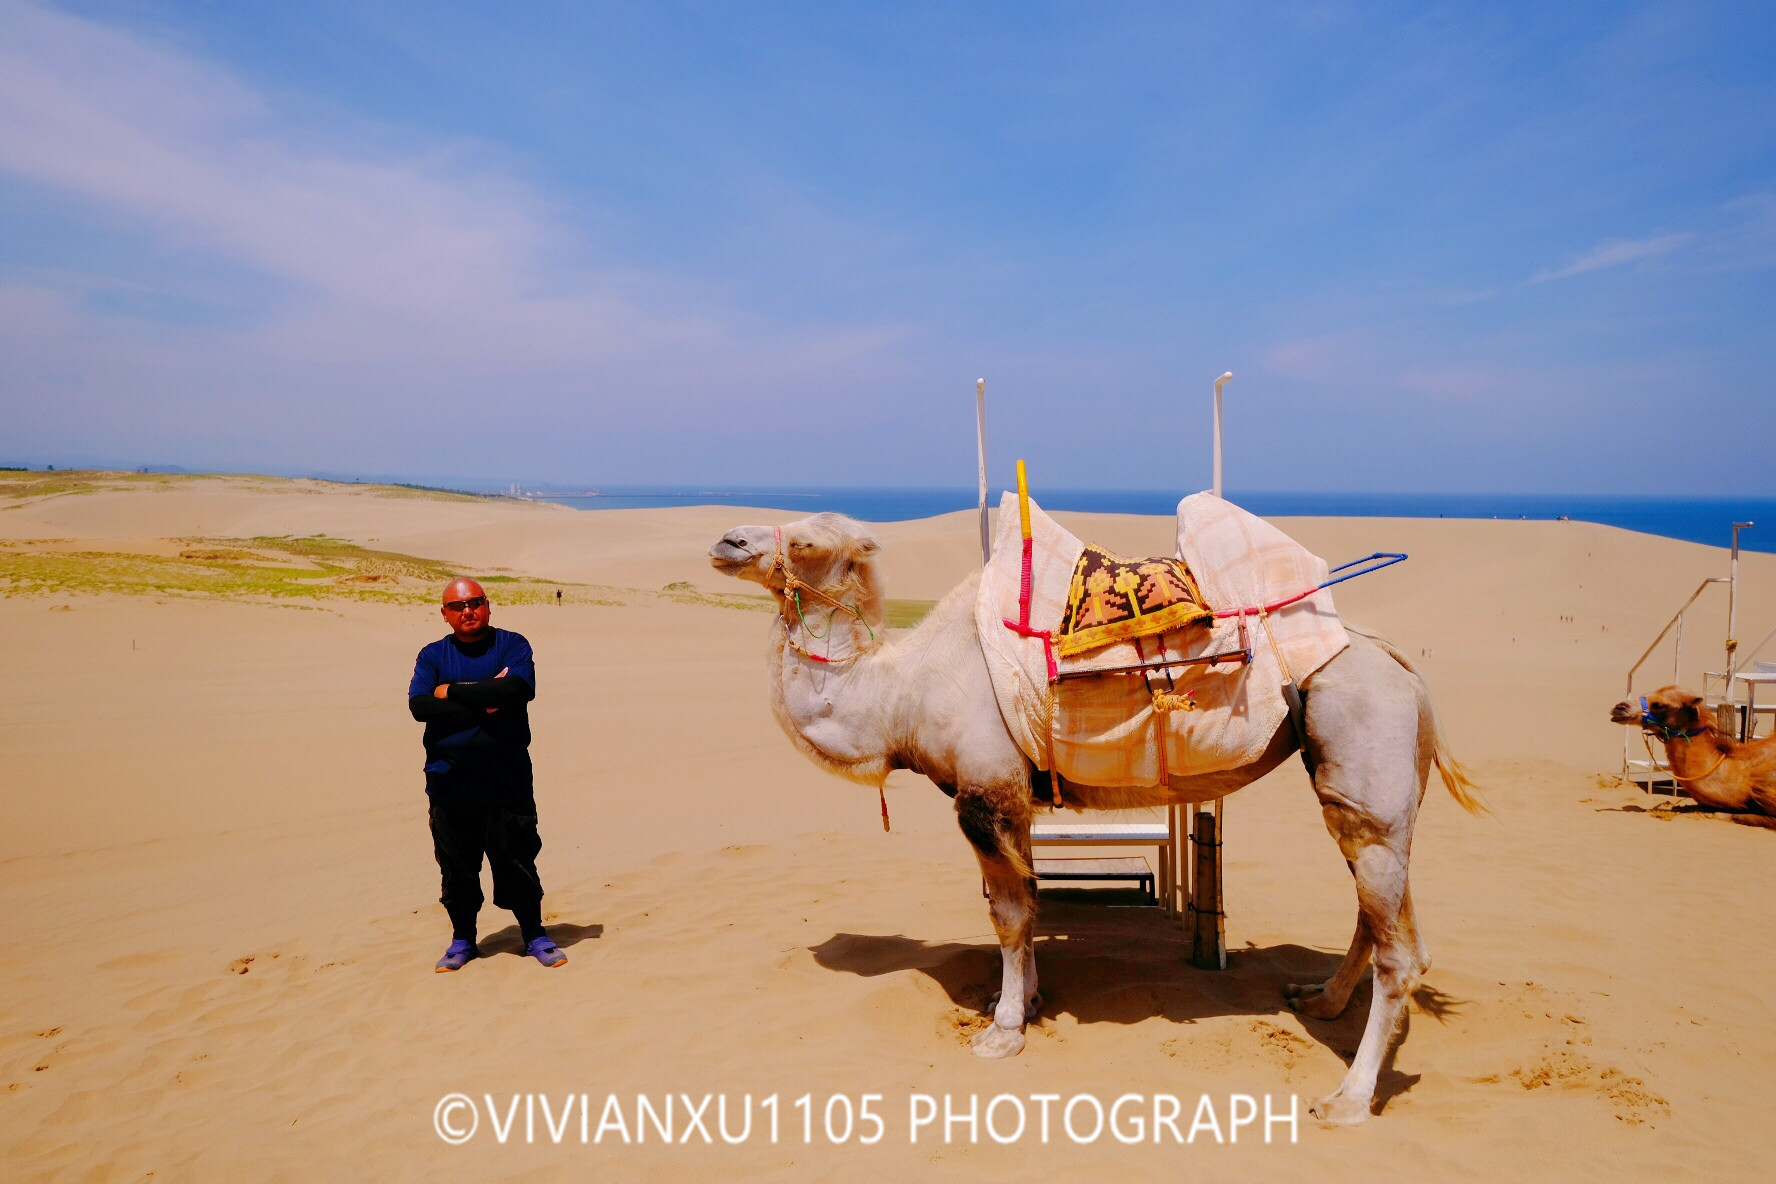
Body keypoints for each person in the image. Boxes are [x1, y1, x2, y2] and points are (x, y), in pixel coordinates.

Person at [408, 578, 567, 971]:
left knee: (517, 860)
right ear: (444, 614)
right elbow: (420, 708)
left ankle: (535, 935)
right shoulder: (432, 655)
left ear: (487, 605)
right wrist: (487, 697)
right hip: (449, 781)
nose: (468, 611)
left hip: (507, 780)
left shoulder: (512, 644)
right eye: (458, 606)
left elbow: (518, 689)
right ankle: (462, 940)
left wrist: (450, 691)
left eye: (475, 602)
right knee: (457, 868)